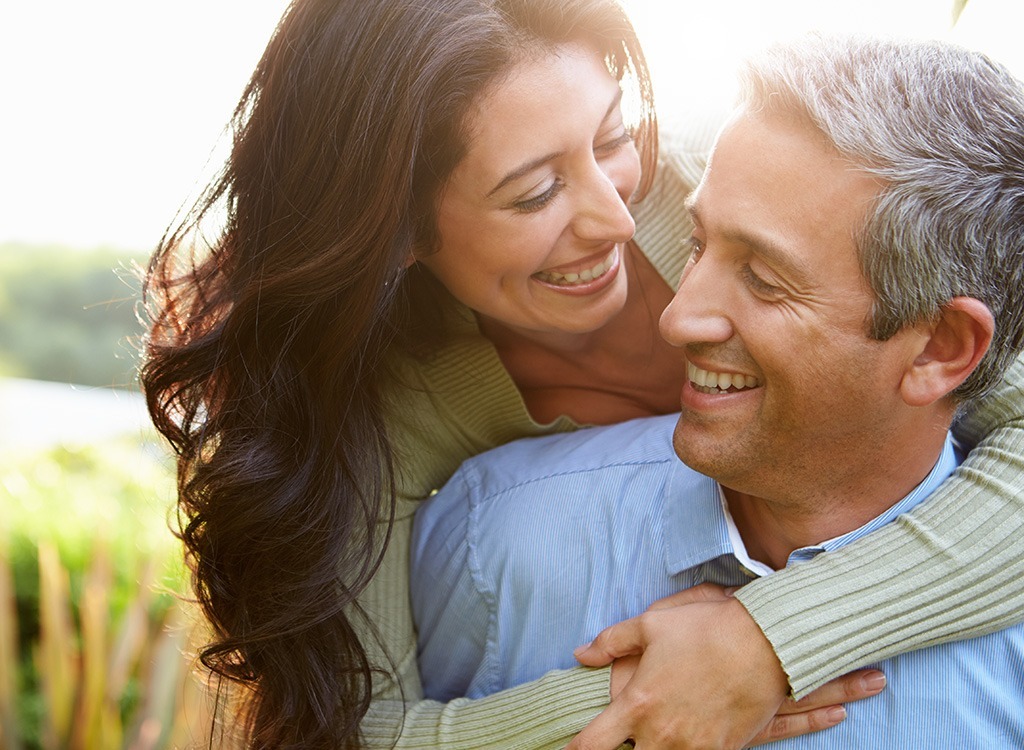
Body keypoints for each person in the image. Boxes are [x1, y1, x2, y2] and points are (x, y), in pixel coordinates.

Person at [139, 0, 1024, 745]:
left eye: (611, 138)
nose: (615, 216)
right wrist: (638, 702)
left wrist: (772, 641)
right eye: (533, 194)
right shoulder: (383, 413)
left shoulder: (752, 181)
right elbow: (350, 728)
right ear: (399, 229)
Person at [412, 34, 1024, 748]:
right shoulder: (491, 541)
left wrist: (775, 637)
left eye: (764, 279)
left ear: (940, 348)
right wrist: (620, 708)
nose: (675, 317)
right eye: (697, 245)